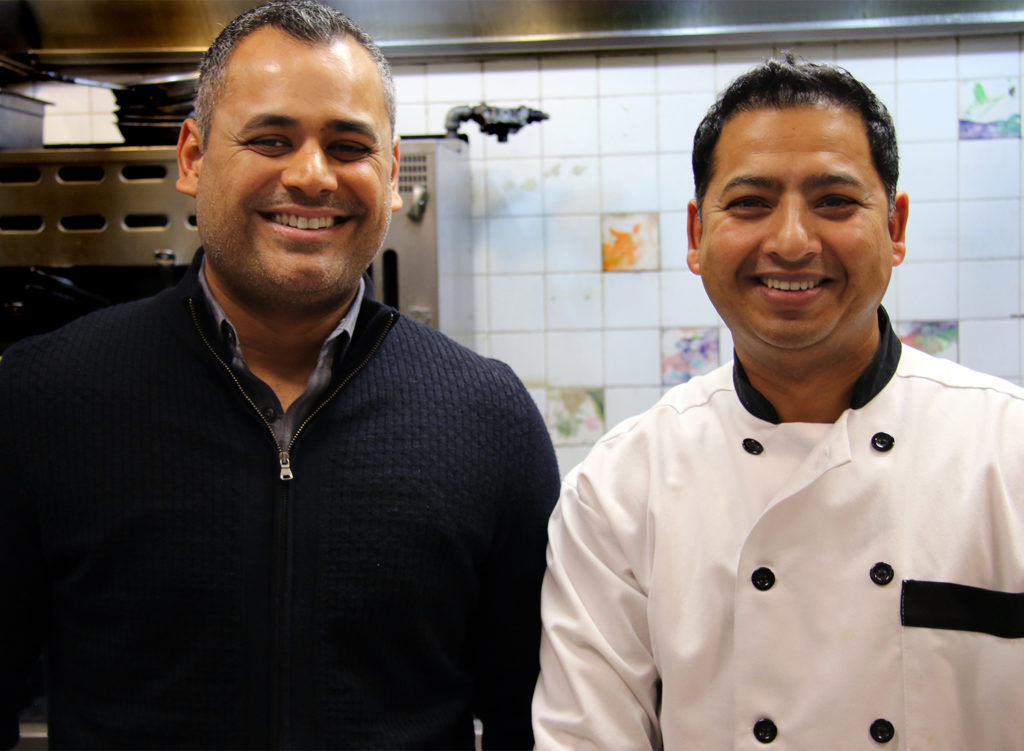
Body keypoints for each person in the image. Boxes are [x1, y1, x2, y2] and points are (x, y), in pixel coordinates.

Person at [0, 2, 559, 748]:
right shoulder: (45, 396)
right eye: (270, 138)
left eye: (348, 145)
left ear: (392, 173)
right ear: (193, 158)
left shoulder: (488, 417)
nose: (311, 175)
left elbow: (539, 718)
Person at [532, 55, 1024, 749]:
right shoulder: (619, 492)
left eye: (835, 201)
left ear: (896, 227)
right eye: (751, 203)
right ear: (698, 235)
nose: (792, 241)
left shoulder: (1009, 455)